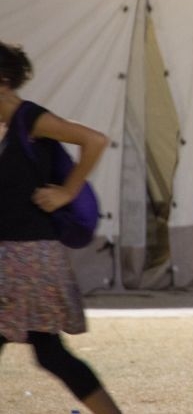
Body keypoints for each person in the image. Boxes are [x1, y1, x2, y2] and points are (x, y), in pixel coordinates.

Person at [0, 41, 121, 413]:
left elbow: (94, 140)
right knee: (49, 351)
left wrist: (67, 191)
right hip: (11, 254)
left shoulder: (29, 119)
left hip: (29, 256)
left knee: (50, 351)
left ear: (3, 80)